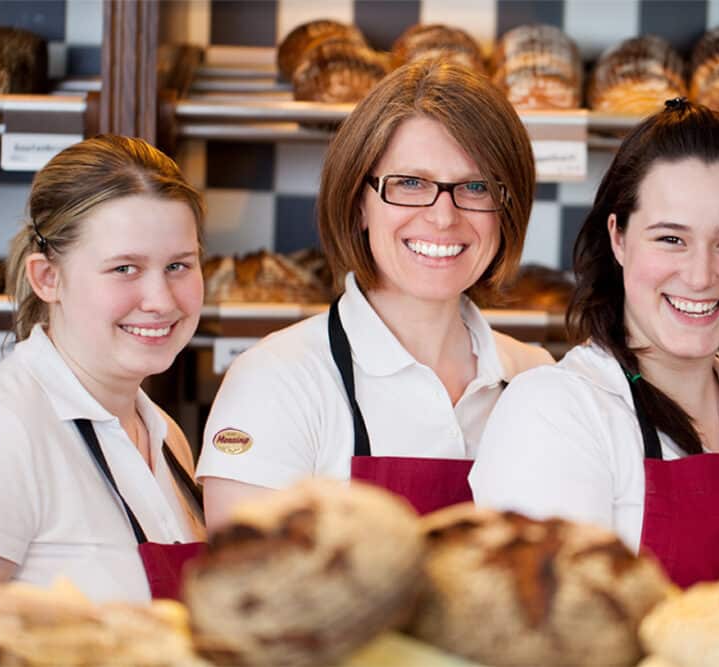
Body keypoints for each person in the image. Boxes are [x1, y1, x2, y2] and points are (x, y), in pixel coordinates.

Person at [470, 99, 719, 587]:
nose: (699, 276)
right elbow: (557, 641)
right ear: (618, 238)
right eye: (671, 239)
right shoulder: (558, 411)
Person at [198, 59, 553, 530]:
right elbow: (245, 592)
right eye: (409, 183)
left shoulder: (535, 380)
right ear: (359, 202)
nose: (444, 217)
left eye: (476, 186)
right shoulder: (278, 381)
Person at [0, 135, 207, 602]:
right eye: (125, 268)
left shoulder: (166, 437)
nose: (161, 300)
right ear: (47, 277)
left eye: (179, 266)